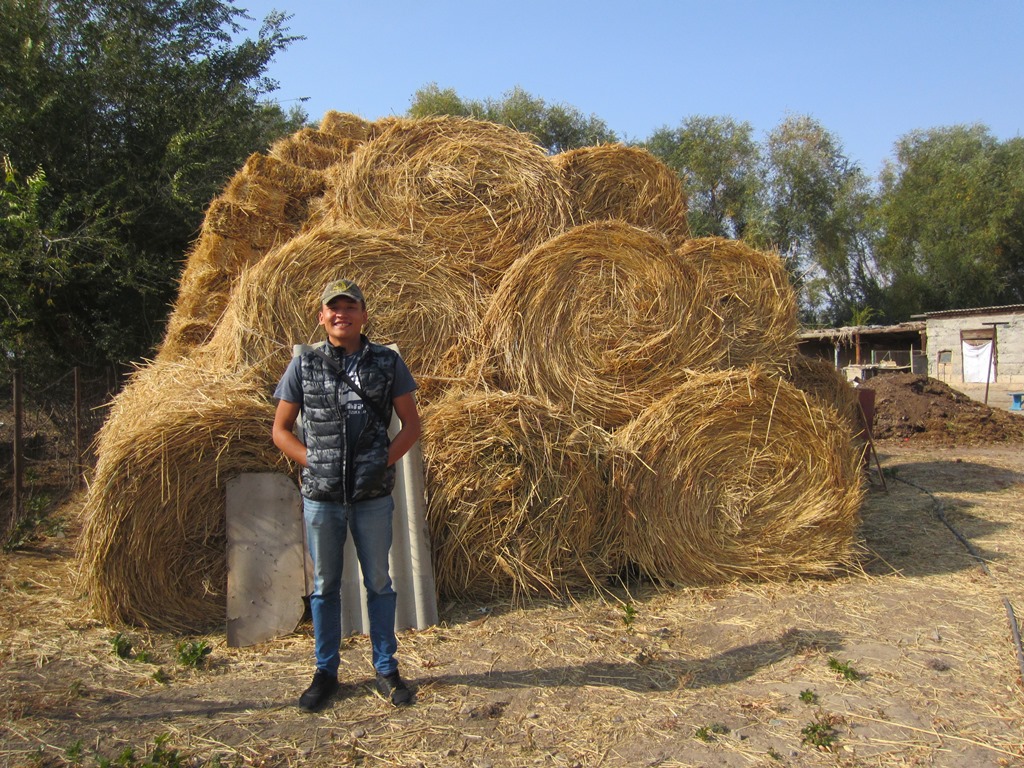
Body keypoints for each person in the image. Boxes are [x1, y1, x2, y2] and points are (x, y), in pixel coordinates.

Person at [272, 277, 422, 711]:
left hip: (372, 496)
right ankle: (325, 672)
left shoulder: (387, 363)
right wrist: (312, 462)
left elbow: (411, 425)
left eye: (350, 307)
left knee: (379, 581)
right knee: (324, 586)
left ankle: (386, 668)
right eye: (333, 308)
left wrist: (383, 461)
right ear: (322, 317)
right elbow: (280, 431)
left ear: (363, 315)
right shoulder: (305, 366)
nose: (342, 314)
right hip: (322, 498)